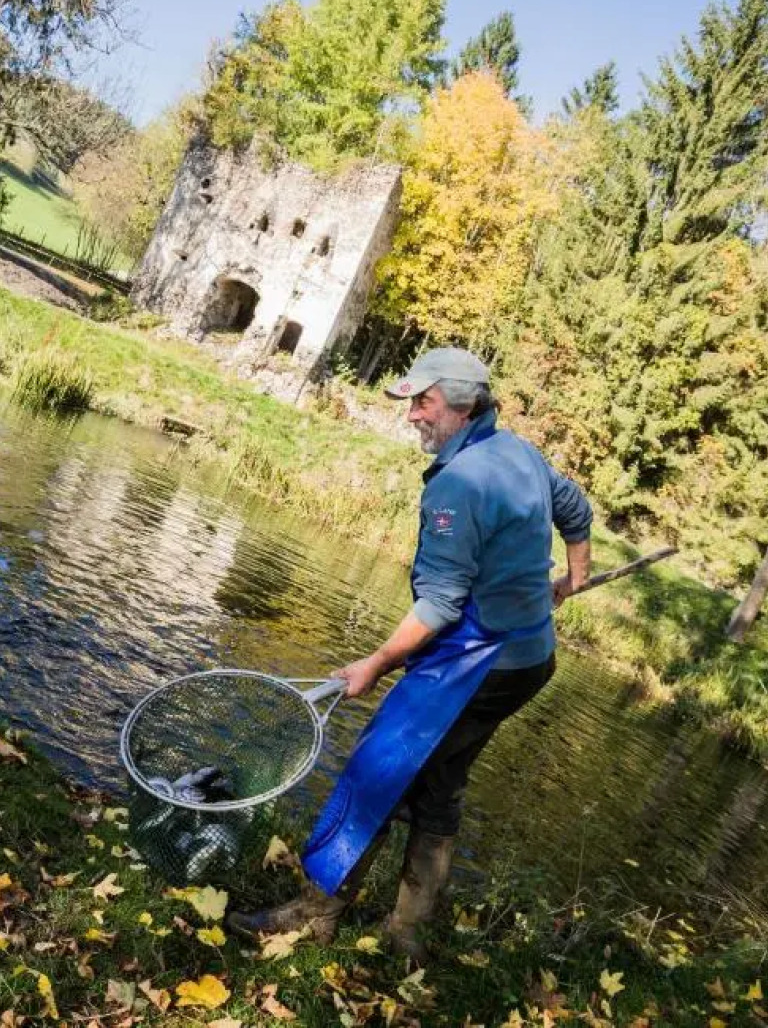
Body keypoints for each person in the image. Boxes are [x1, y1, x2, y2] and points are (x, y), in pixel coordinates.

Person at [227, 347, 594, 961]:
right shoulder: (520, 454)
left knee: (378, 773)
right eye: (411, 403)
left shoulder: (457, 484)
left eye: (423, 403)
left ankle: (315, 914)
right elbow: (574, 507)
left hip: (480, 663)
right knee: (441, 782)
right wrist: (575, 577)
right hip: (531, 659)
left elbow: (441, 606)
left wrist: (374, 663)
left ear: (462, 403)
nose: (411, 417)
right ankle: (407, 934)